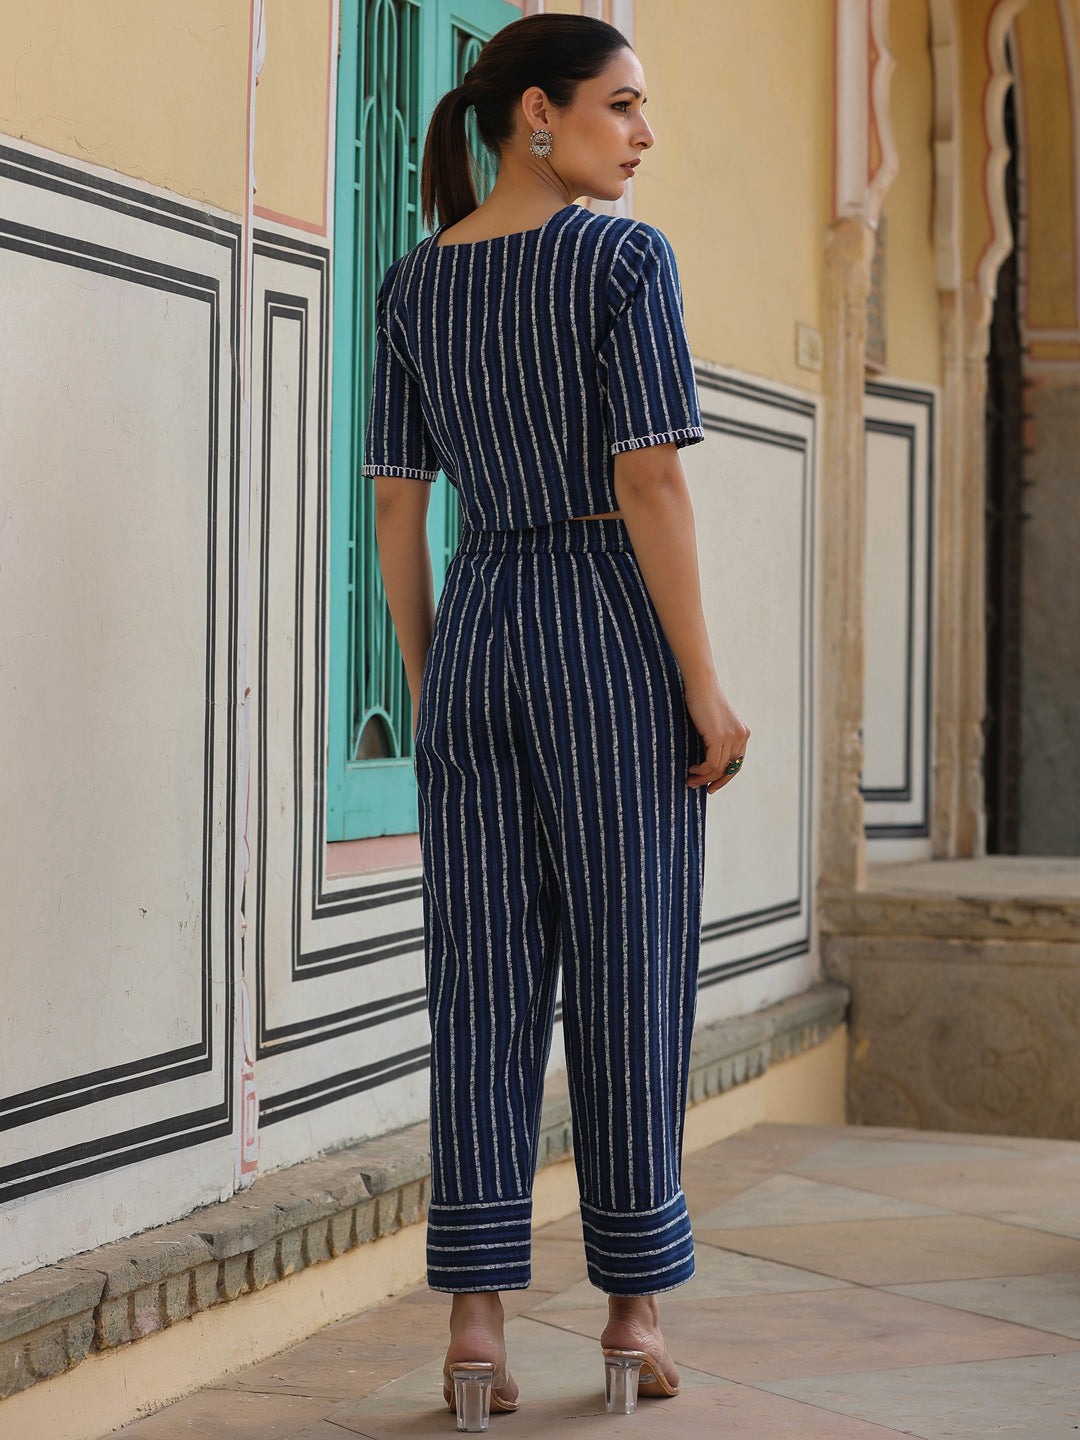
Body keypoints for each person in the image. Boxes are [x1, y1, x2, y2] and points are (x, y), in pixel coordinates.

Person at [363, 13, 749, 1427]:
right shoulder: (623, 258)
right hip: (600, 616)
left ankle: (474, 1329)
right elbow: (647, 479)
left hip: (477, 623)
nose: (644, 138)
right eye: (624, 107)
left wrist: (431, 676)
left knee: (477, 984)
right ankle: (631, 1312)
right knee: (629, 969)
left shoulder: (414, 282)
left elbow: (400, 503)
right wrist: (700, 682)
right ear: (540, 113)